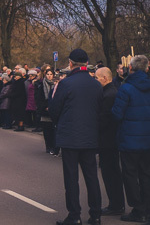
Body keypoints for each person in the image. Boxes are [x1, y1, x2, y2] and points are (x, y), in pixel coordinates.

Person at [49, 49, 103, 225]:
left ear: (71, 63)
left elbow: (55, 109)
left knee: (71, 179)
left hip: (70, 136)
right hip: (90, 136)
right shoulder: (96, 84)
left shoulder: (66, 84)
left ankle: (74, 215)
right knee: (92, 177)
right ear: (87, 64)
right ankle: (95, 214)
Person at [112, 55, 150, 223]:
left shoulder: (126, 88)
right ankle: (147, 207)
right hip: (147, 139)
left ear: (131, 69)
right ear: (146, 69)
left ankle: (138, 207)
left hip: (129, 139)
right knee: (146, 174)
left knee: (130, 174)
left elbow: (117, 114)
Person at [94, 67, 125, 216]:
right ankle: (116, 203)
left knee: (110, 172)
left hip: (108, 140)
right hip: (110, 139)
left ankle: (116, 204)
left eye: (97, 78)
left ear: (104, 78)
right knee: (110, 171)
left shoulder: (109, 94)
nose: (95, 81)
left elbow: (104, 118)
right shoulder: (110, 92)